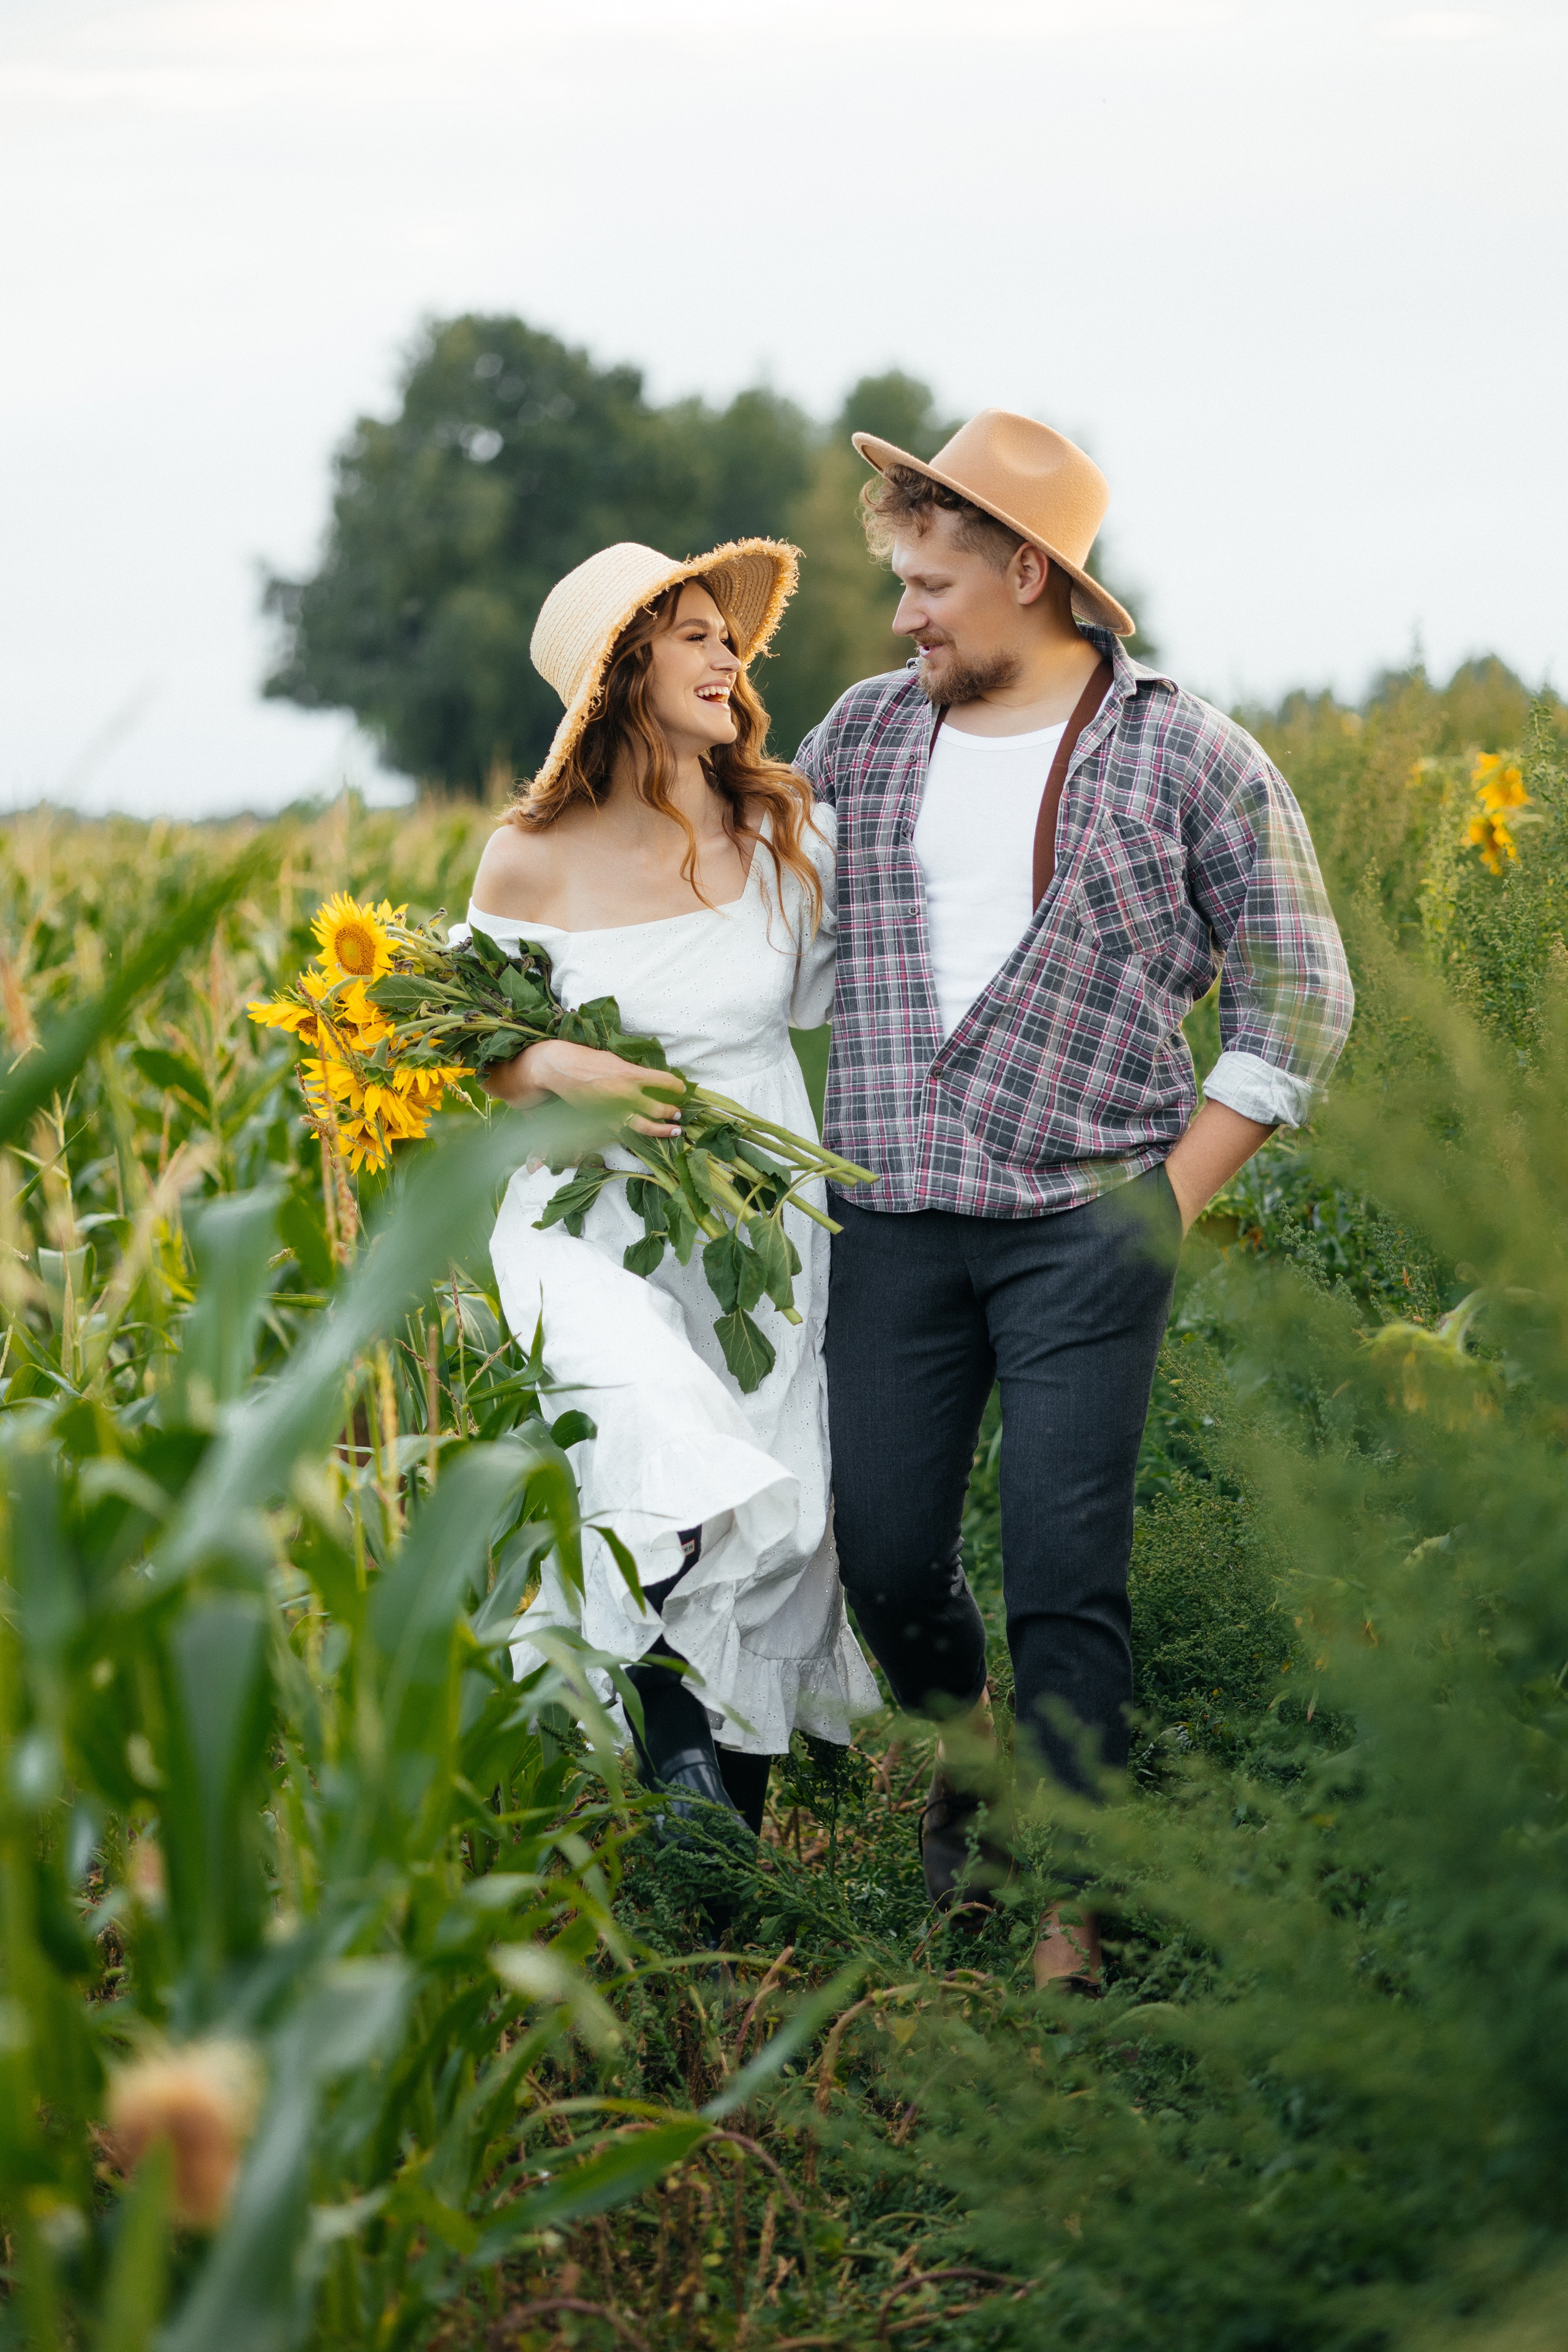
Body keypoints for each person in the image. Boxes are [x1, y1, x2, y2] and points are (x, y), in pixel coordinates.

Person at [794, 410, 1354, 1988]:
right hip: (891, 1212)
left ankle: (1070, 1899)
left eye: (926, 585)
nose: (902, 615)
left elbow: (1297, 998)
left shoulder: (1188, 752)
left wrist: (1165, 1200)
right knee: (886, 1559)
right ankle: (967, 1755)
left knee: (1064, 1570)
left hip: (1084, 1223)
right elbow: (760, 938)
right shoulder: (859, 738)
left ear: (1028, 572)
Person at [467, 538, 878, 1850]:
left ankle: (716, 1849)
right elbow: (466, 1046)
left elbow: (877, 992)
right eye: (692, 635)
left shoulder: (785, 829)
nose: (727, 657)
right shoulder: (528, 857)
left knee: (768, 1503)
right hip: (586, 1211)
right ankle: (676, 1740)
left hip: (755, 1215)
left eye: (724, 636)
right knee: (659, 1442)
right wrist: (550, 1056)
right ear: (619, 673)